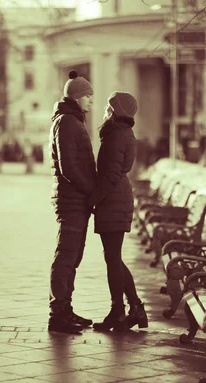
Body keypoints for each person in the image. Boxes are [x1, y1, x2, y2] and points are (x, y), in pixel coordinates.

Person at [88, 92, 148, 332]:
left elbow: (111, 174)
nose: (105, 109)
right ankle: (134, 308)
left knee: (112, 258)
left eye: (109, 106)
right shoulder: (120, 133)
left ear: (116, 111)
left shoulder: (116, 135)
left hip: (114, 200)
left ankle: (119, 312)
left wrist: (93, 199)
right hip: (116, 199)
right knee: (113, 257)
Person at [48, 70, 96, 334]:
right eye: (88, 96)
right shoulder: (66, 122)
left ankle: (65, 309)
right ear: (77, 97)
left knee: (72, 256)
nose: (91, 101)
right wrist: (91, 191)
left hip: (76, 199)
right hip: (71, 199)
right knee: (66, 256)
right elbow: (69, 167)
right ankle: (58, 314)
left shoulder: (72, 119)